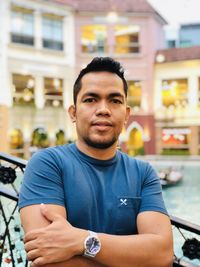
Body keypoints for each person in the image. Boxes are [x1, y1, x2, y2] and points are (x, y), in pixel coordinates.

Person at [19, 57, 173, 267]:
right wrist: (131, 256)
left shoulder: (143, 173)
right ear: (73, 113)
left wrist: (82, 241)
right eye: (91, 99)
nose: (103, 109)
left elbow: (161, 254)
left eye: (115, 100)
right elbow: (47, 257)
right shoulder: (47, 164)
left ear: (126, 115)